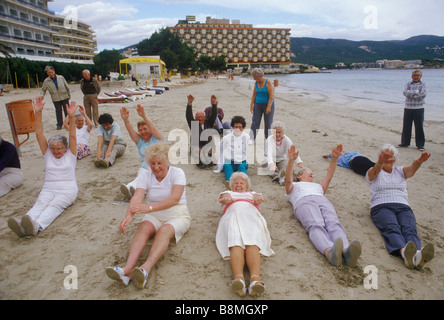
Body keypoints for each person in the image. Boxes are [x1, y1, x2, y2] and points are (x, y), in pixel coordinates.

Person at [105, 143, 191, 289]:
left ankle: (145, 269)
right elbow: (137, 197)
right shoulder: (145, 175)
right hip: (155, 214)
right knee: (143, 226)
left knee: (164, 230)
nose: (156, 167)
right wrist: (129, 215)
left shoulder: (177, 173)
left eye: (159, 163)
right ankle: (127, 269)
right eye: (152, 163)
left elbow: (174, 199)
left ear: (167, 162)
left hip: (178, 214)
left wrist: (150, 207)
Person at [7, 97, 78, 237]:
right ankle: (23, 225)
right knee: (39, 204)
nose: (55, 151)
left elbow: (73, 136)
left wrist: (71, 116)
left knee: (54, 206)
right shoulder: (48, 154)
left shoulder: (71, 155)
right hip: (49, 188)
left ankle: (37, 226)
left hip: (67, 190)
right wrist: (37, 112)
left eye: (59, 148)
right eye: (53, 148)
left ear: (66, 148)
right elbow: (38, 133)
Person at [285, 144, 362, 267]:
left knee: (333, 223)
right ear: (299, 176)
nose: (312, 174)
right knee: (316, 224)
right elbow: (288, 181)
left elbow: (328, 177)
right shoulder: (294, 186)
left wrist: (335, 159)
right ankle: (329, 252)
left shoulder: (318, 186)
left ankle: (346, 251)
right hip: (303, 200)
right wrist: (291, 161)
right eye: (308, 172)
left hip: (322, 199)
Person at [366, 144, 434, 270]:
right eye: (385, 156)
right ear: (379, 157)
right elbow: (374, 172)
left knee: (409, 229)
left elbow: (411, 170)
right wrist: (380, 162)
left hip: (403, 205)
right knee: (392, 228)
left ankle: (418, 255)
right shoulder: (373, 171)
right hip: (381, 206)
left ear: (395, 159)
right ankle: (404, 252)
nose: (388, 159)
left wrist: (419, 161)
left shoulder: (400, 171)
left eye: (390, 156)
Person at [216, 172, 273, 296]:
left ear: (247, 186)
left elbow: (258, 198)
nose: (238, 185)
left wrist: (257, 199)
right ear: (231, 186)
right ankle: (239, 279)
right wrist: (226, 199)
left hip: (251, 218)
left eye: (242, 183)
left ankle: (255, 280)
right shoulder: (228, 193)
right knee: (236, 244)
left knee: (252, 245)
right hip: (233, 217)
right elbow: (223, 198)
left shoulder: (252, 194)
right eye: (236, 183)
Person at [120, 104, 163, 199]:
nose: (143, 132)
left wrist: (144, 116)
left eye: (145, 129)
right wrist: (126, 120)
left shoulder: (157, 138)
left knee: (146, 177)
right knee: (141, 176)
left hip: (158, 167)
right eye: (140, 130)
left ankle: (134, 189)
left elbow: (154, 128)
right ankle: (131, 189)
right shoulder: (140, 141)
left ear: (150, 129)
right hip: (144, 167)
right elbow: (130, 131)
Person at [216, 116, 250, 189]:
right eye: (235, 126)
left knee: (242, 167)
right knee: (227, 166)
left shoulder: (246, 137)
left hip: (242, 161)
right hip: (230, 160)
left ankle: (245, 183)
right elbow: (221, 146)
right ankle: (230, 183)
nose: (238, 129)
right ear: (232, 127)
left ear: (243, 128)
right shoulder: (226, 138)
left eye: (240, 127)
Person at [266, 121, 303, 185]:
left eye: (279, 132)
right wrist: (271, 164)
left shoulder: (286, 140)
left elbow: (292, 152)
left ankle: (286, 177)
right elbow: (268, 154)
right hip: (270, 159)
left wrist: (299, 162)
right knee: (269, 169)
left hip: (281, 159)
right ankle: (279, 178)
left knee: (285, 169)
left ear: (283, 132)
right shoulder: (269, 139)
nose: (277, 134)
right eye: (275, 132)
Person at [186, 94, 218, 168]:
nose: (200, 119)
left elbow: (213, 115)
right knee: (197, 151)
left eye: (201, 117)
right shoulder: (193, 124)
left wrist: (213, 105)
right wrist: (189, 104)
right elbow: (188, 116)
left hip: (208, 145)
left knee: (210, 154)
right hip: (197, 146)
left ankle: (208, 159)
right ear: (195, 118)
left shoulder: (209, 122)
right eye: (198, 118)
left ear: (205, 117)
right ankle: (200, 162)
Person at [399, 70, 427, 151]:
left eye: (417, 75)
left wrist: (410, 93)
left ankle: (420, 144)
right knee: (406, 126)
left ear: (420, 76)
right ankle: (405, 142)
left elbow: (423, 95)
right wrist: (416, 92)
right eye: (414, 75)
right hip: (408, 107)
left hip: (419, 108)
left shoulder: (423, 84)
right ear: (411, 76)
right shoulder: (408, 83)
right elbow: (405, 93)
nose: (415, 77)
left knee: (419, 127)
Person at [40, 66, 71, 130]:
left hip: (64, 96)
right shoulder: (46, 81)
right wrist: (41, 96)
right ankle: (59, 124)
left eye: (51, 72)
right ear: (47, 73)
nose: (51, 74)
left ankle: (68, 122)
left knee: (67, 110)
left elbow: (67, 86)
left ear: (54, 71)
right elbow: (43, 90)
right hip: (55, 98)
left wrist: (69, 95)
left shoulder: (61, 77)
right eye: (49, 73)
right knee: (58, 111)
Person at [249, 68, 275, 141]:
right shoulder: (256, 83)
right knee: (255, 122)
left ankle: (268, 139)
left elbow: (271, 95)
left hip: (268, 104)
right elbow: (254, 94)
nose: (254, 79)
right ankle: (251, 138)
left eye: (255, 77)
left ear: (259, 76)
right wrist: (251, 105)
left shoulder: (268, 82)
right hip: (258, 104)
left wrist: (269, 106)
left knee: (268, 123)